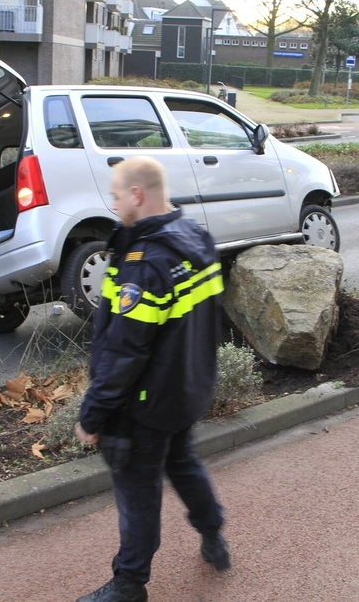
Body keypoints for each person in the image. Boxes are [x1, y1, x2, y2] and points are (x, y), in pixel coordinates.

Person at [74, 156, 231, 602]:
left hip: (144, 402)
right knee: (182, 462)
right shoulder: (194, 237)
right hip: (186, 388)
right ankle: (213, 533)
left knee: (137, 491)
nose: (114, 202)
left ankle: (129, 584)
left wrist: (93, 414)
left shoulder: (145, 262)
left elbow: (124, 351)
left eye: (117, 194)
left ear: (137, 195)